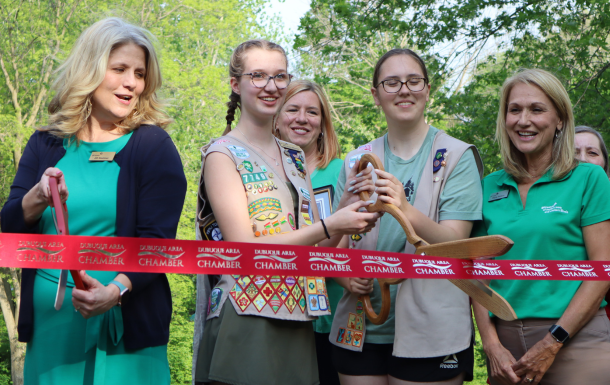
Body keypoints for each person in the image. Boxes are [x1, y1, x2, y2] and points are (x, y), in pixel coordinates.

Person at [0, 18, 187, 384]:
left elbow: (158, 245)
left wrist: (115, 291)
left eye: (139, 73)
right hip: (51, 334)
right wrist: (38, 196)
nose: (131, 82)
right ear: (90, 69)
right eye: (119, 69)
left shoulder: (153, 147)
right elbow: (9, 228)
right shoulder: (46, 143)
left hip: (126, 336)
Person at [193, 39, 380, 385]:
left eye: (280, 76)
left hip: (299, 316)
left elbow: (312, 255)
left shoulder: (294, 156)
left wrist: (346, 208)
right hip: (247, 313)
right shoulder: (222, 155)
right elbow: (245, 250)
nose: (271, 86)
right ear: (236, 84)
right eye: (258, 75)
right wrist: (329, 223)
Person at [330, 48, 483, 385]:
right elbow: (334, 247)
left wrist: (405, 208)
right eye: (392, 83)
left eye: (414, 81)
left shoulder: (457, 156)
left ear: (427, 90)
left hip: (433, 331)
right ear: (375, 95)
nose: (404, 90)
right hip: (361, 326)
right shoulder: (357, 160)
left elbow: (457, 243)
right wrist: (345, 277)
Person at [472, 69, 610, 385]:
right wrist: (491, 344)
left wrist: (553, 341)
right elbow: (476, 273)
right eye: (515, 109)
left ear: (560, 120)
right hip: (506, 351)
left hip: (577, 341)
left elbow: (602, 269)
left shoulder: (589, 179)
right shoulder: (487, 186)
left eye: (537, 109)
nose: (524, 120)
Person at [275, 79, 344, 385]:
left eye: (312, 112)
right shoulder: (265, 175)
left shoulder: (344, 171)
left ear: (323, 122)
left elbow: (363, 237)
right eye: (292, 109)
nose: (302, 118)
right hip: (282, 313)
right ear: (276, 117)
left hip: (337, 319)